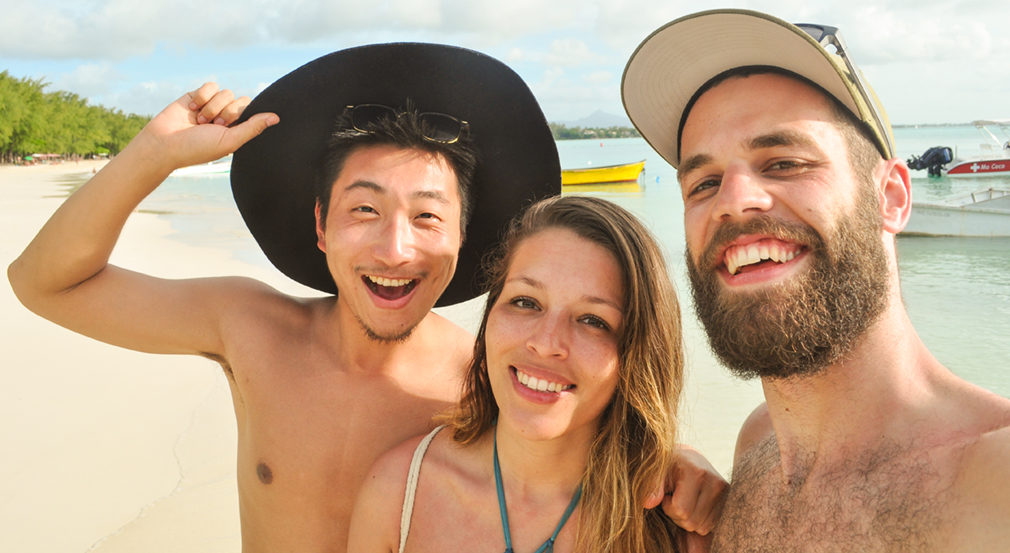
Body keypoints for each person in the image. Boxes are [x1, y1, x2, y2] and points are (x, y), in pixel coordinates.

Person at [9, 43, 721, 552]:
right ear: (321, 226)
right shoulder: (249, 328)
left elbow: (588, 414)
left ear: (464, 236)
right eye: (365, 210)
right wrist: (153, 155)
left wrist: (675, 460)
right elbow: (43, 282)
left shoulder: (484, 378)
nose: (395, 249)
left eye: (428, 217)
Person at [622, 9, 1010, 551]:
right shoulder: (755, 451)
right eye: (704, 183)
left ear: (891, 197)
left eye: (784, 163)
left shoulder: (993, 480)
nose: (733, 200)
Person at [348, 195, 720, 553]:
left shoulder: (682, 529)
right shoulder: (400, 494)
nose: (545, 343)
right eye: (526, 302)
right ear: (491, 313)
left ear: (639, 354)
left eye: (593, 320)